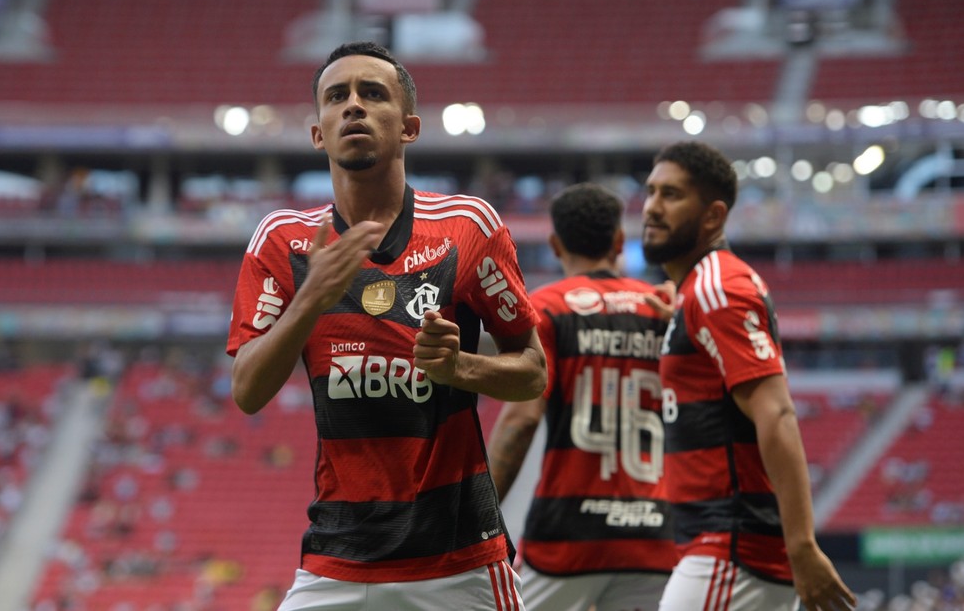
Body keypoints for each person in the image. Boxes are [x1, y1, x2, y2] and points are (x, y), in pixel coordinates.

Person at [226, 41, 547, 611]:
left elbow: (532, 373)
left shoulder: (468, 227)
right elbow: (248, 391)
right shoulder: (280, 240)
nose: (353, 106)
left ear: (409, 127)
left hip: (461, 563)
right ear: (318, 132)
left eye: (373, 94)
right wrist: (311, 300)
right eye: (337, 97)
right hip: (337, 560)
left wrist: (460, 368)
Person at [640, 141, 857, 611]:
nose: (652, 208)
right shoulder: (700, 291)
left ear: (714, 216)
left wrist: (801, 545)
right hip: (726, 548)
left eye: (672, 195)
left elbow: (776, 413)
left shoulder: (717, 290)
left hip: (732, 548)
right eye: (651, 192)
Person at [487, 182, 677, 611]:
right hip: (655, 531)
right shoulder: (664, 309)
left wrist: (481, 513)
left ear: (555, 244)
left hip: (568, 534)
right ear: (619, 241)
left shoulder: (549, 308)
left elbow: (521, 421)